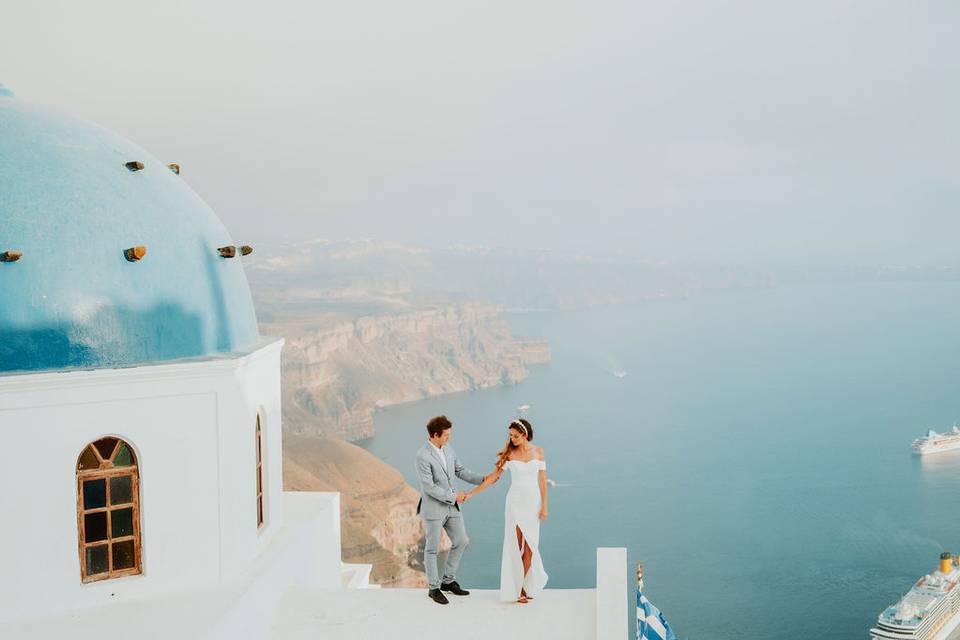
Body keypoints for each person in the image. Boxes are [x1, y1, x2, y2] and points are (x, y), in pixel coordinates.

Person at [466, 418, 548, 603]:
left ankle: (525, 585)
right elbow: (493, 477)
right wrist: (471, 494)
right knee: (516, 547)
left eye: (516, 436)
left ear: (525, 435)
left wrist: (544, 507)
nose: (512, 439)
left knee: (530, 549)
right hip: (515, 503)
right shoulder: (509, 454)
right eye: (510, 436)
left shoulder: (539, 452)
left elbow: (542, 481)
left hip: (533, 504)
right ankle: (518, 590)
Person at [415, 415, 485, 605]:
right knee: (432, 549)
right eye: (446, 435)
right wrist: (454, 496)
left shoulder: (448, 449)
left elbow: (460, 471)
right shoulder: (422, 456)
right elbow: (429, 487)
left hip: (451, 508)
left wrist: (483, 479)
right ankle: (434, 588)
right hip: (434, 509)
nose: (449, 438)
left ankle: (448, 581)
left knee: (461, 540)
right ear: (435, 435)